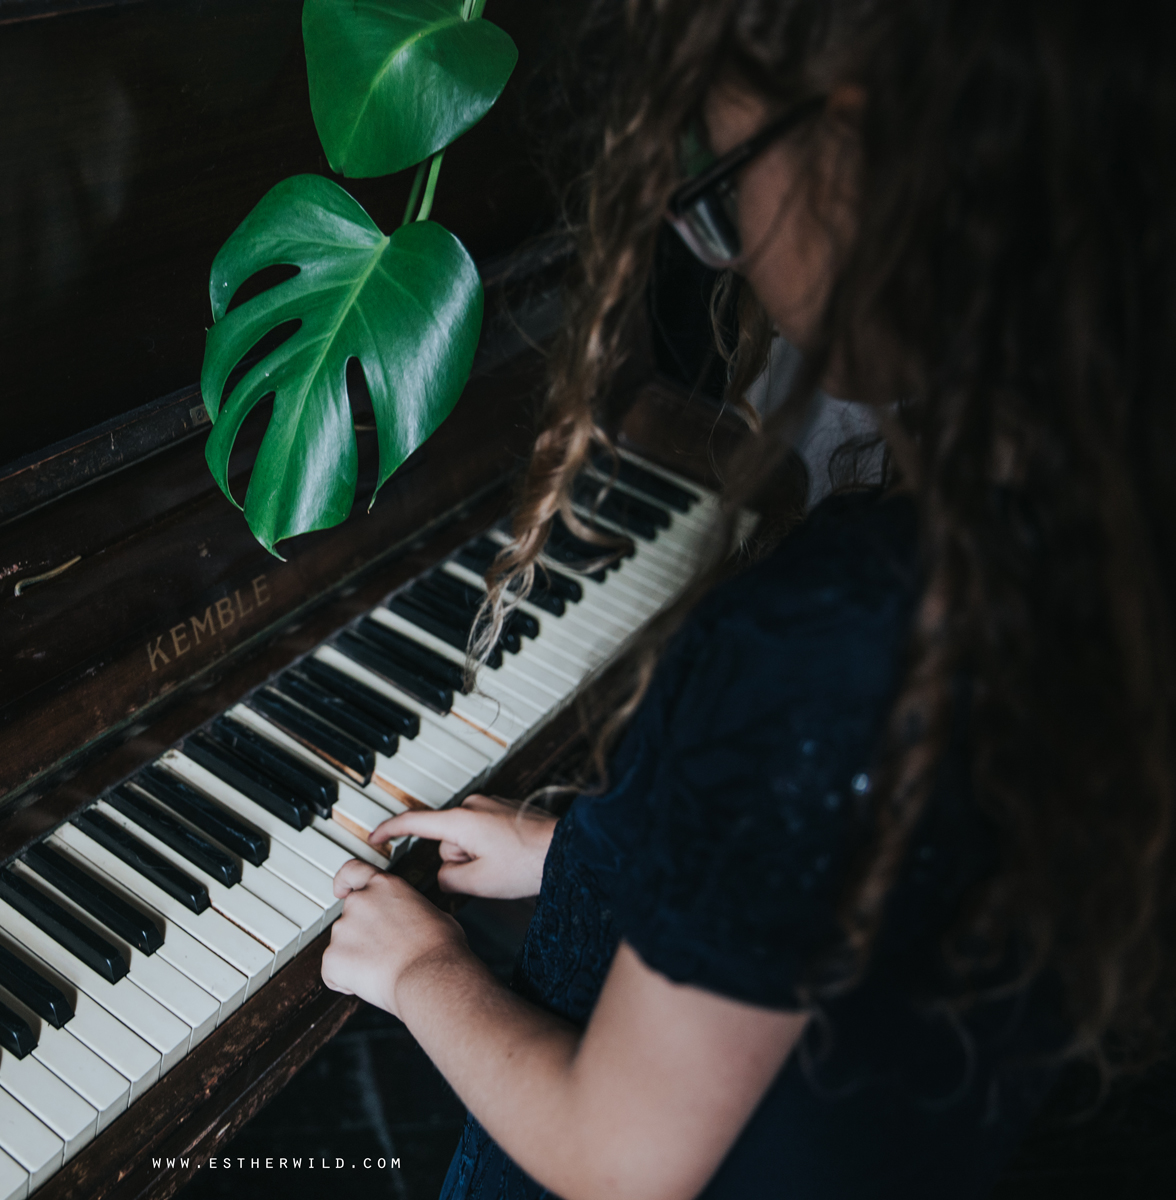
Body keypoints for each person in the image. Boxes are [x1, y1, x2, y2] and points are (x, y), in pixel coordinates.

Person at [318, 2, 1176, 1197]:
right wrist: (579, 853)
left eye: (721, 186)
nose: (727, 249)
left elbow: (622, 1162)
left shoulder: (819, 638)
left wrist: (423, 973)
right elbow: (830, 871)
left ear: (859, 158)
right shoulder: (1078, 532)